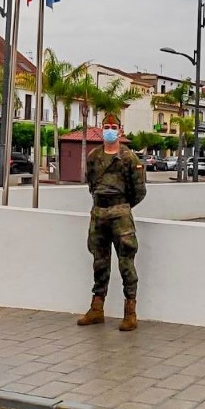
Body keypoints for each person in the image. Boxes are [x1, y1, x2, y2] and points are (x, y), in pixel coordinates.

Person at [77, 113, 146, 331]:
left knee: (126, 263)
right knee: (99, 262)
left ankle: (130, 312)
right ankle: (96, 309)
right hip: (99, 214)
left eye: (113, 127)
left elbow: (139, 191)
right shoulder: (94, 156)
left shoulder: (129, 158)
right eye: (106, 127)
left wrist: (121, 206)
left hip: (120, 215)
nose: (109, 130)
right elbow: (91, 185)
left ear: (120, 130)